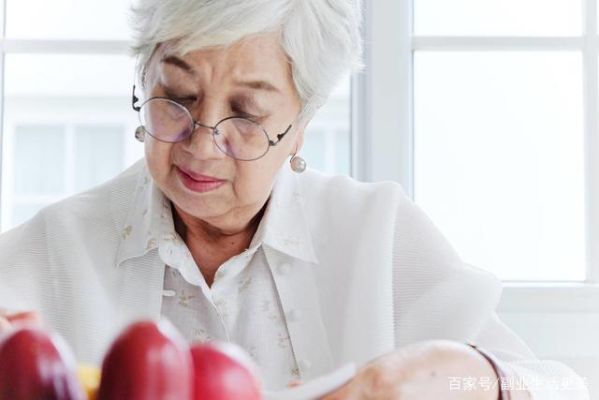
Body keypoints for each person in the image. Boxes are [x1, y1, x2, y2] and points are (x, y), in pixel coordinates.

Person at [0, 1, 589, 398]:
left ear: (302, 122)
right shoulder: (53, 248)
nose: (202, 144)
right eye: (175, 96)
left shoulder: (376, 233)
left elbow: (561, 386)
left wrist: (448, 375)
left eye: (247, 114)